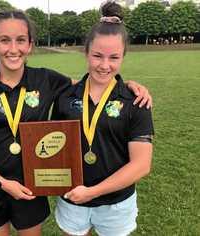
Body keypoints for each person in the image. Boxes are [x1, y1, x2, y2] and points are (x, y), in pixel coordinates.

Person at [0, 9, 152, 236]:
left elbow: (90, 84)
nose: (13, 49)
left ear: (30, 45)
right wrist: (2, 182)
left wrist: (128, 87)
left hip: (31, 185)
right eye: (4, 40)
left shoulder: (46, 79)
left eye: (20, 40)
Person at [52, 2, 154, 236]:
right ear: (86, 52)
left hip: (116, 204)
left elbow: (141, 164)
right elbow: (54, 144)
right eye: (97, 55)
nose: (104, 65)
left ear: (123, 57)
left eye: (114, 57)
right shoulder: (65, 97)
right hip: (73, 198)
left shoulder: (136, 100)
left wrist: (93, 191)